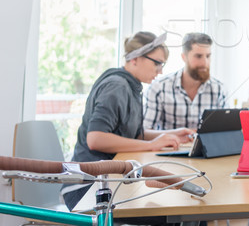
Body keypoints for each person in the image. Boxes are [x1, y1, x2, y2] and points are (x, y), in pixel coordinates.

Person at [62, 31, 194, 211]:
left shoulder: (132, 86)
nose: (160, 70)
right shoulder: (117, 86)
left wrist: (170, 134)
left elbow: (131, 134)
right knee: (174, 211)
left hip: (108, 179)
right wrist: (152, 145)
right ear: (135, 58)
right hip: (86, 188)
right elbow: (95, 139)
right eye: (157, 63)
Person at [144, 32, 228, 130]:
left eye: (208, 56)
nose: (205, 62)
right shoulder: (159, 88)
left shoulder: (219, 89)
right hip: (170, 145)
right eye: (198, 56)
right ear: (184, 57)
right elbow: (145, 131)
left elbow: (224, 130)